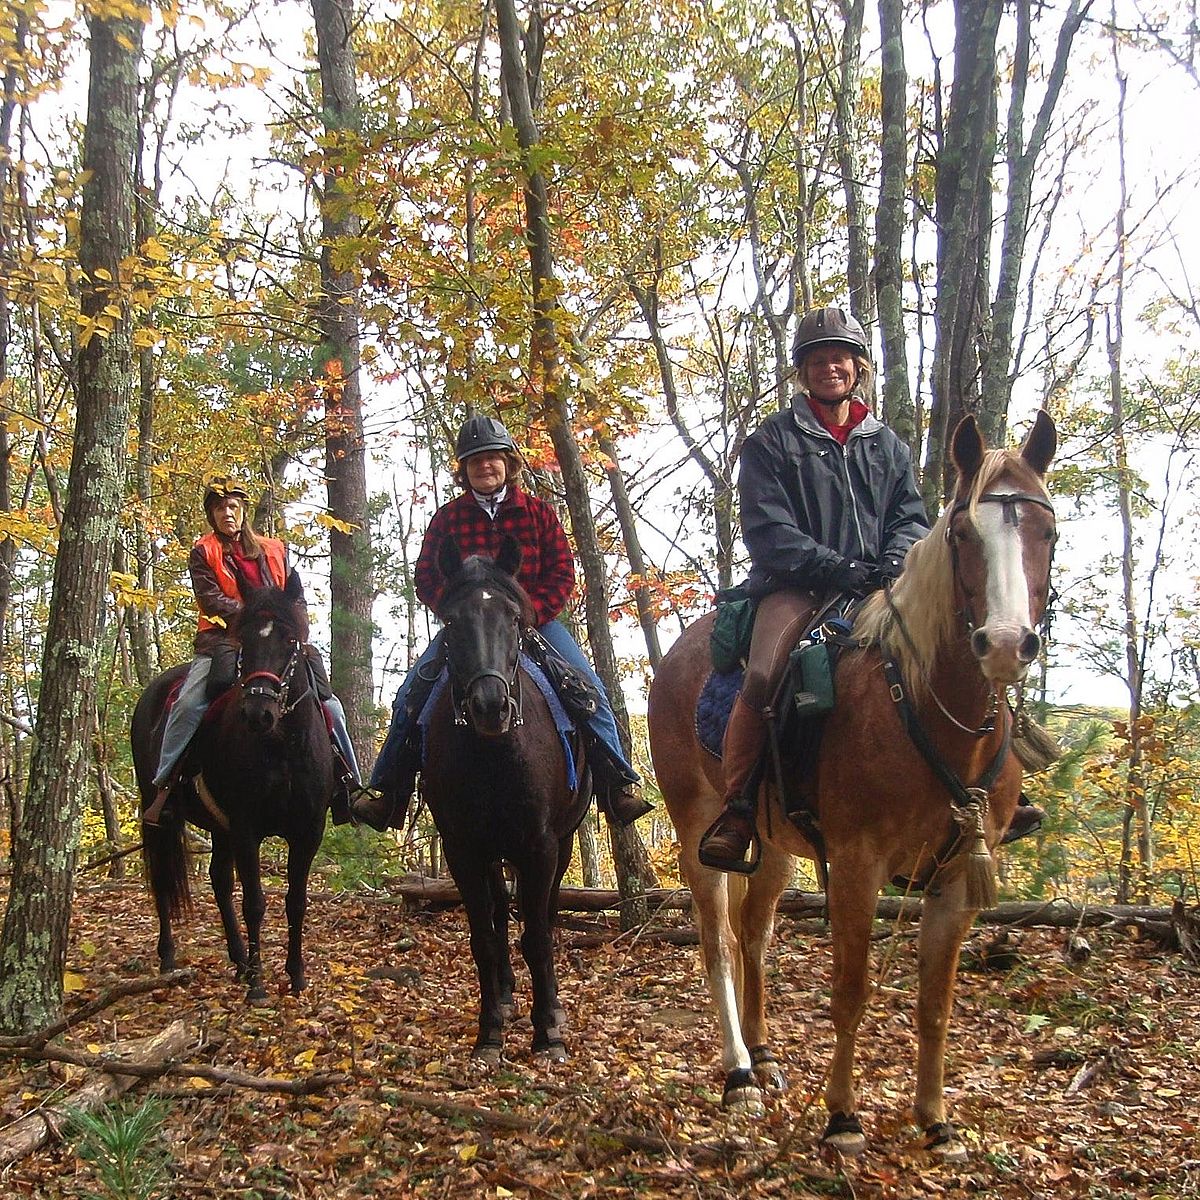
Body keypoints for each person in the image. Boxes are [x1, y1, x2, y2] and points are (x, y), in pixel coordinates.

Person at [697, 307, 1045, 873]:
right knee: (764, 673)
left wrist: (894, 562)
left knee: (958, 650)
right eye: (817, 359)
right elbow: (768, 529)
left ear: (857, 367)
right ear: (802, 370)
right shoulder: (770, 442)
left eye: (839, 357)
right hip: (796, 587)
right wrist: (835, 568)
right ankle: (738, 806)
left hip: (882, 582)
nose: (829, 367)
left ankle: (998, 784)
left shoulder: (887, 445)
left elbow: (910, 516)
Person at [352, 416, 651, 832]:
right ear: (464, 470)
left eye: (492, 458)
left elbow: (562, 573)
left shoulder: (538, 513)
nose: (485, 467)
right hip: (469, 629)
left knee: (588, 688)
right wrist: (457, 614)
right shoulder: (448, 518)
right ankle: (388, 792)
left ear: (508, 463)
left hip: (535, 624)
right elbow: (426, 577)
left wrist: (529, 614)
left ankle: (616, 783)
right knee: (411, 693)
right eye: (475, 461)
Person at [142, 476, 364, 826]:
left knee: (330, 705)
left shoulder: (275, 549)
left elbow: (295, 597)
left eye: (233, 506)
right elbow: (210, 599)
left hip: (280, 641)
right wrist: (253, 617)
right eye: (219, 508)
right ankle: (166, 785)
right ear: (212, 515)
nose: (227, 514)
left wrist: (292, 625)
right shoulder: (203, 552)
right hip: (223, 639)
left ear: (243, 511)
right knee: (187, 704)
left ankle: (350, 787)